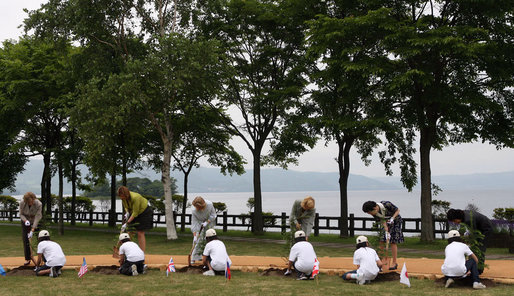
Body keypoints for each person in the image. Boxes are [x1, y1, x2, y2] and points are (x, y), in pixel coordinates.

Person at [447, 208, 492, 273]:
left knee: (480, 248)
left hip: (486, 229)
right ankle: (474, 267)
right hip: (479, 229)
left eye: (454, 220)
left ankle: (479, 269)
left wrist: (468, 242)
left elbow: (473, 233)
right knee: (474, 248)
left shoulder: (468, 219)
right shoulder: (463, 215)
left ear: (457, 217)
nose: (455, 222)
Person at [362, 200, 403, 270]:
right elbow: (382, 221)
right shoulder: (374, 214)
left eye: (369, 212)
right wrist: (386, 231)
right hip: (386, 222)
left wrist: (392, 218)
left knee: (393, 241)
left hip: (396, 221)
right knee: (382, 241)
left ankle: (394, 263)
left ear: (375, 208)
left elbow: (397, 210)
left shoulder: (386, 204)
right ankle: (380, 262)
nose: (370, 214)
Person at [117, 186, 153, 252]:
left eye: (123, 196)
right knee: (129, 233)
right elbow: (126, 207)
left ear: (126, 194)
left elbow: (135, 213)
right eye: (120, 197)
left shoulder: (135, 197)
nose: (122, 198)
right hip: (133, 212)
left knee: (140, 232)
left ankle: (142, 253)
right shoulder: (123, 198)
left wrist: (127, 223)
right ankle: (127, 252)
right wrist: (127, 212)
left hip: (144, 212)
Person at [191, 196, 217, 263]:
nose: (197, 208)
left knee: (210, 239)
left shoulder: (210, 205)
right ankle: (195, 257)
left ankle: (211, 257)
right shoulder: (194, 210)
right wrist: (195, 235)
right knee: (198, 240)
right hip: (199, 224)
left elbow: (213, 215)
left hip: (209, 223)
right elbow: (194, 223)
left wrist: (207, 221)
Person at [19, 192, 42, 266]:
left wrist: (33, 229)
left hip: (35, 220)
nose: (30, 203)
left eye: (31, 202)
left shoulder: (39, 204)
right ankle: (28, 258)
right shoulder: (22, 203)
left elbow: (38, 216)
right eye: (28, 202)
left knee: (41, 238)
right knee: (26, 239)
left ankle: (43, 258)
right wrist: (25, 221)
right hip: (25, 221)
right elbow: (21, 214)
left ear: (34, 199)